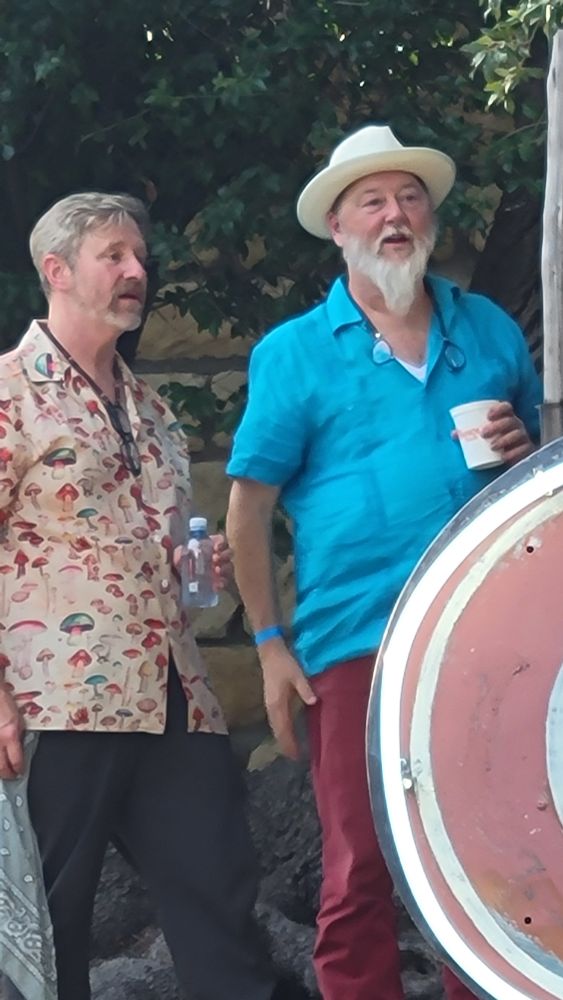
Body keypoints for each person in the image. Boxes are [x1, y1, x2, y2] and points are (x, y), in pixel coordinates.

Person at [225, 124, 541, 1000]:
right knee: (359, 870)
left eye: (408, 197)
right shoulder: (292, 353)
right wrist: (269, 643)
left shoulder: (486, 331)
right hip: (354, 640)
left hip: (489, 639)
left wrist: (523, 453)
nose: (394, 214)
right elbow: (247, 511)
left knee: (497, 858)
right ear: (337, 225)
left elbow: (534, 490)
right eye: (371, 201)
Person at [0, 192, 295, 1000]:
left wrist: (192, 566)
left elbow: (163, 556)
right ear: (56, 271)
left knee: (222, 896)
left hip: (174, 697)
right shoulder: (9, 394)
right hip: (52, 703)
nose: (138, 271)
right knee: (45, 925)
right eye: (114, 257)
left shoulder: (155, 411)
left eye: (140, 257)